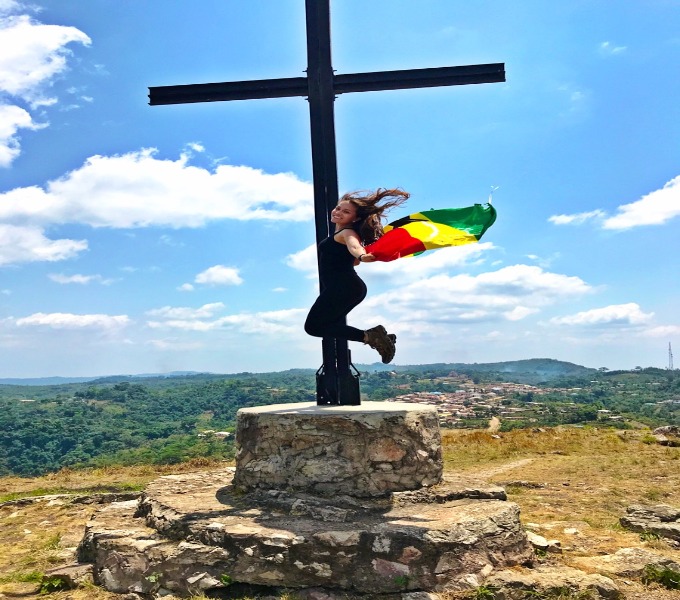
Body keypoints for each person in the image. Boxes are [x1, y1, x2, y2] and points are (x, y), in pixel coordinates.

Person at [304, 188, 409, 363]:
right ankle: (380, 338)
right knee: (328, 325)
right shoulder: (340, 234)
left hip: (344, 287)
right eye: (338, 208)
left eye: (346, 212)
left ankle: (373, 337)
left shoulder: (347, 233)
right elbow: (352, 260)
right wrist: (354, 257)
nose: (338, 212)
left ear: (355, 218)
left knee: (314, 327)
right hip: (348, 287)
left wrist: (361, 255)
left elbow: (354, 247)